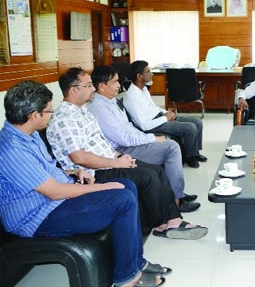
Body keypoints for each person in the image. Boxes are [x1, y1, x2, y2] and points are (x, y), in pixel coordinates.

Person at [0, 81, 168, 287]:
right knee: (122, 198)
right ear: (33, 115)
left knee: (127, 186)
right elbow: (53, 191)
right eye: (48, 110)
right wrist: (103, 187)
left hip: (50, 202)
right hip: (37, 216)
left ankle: (136, 263)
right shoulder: (12, 149)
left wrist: (73, 171)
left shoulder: (29, 135)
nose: (51, 114)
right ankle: (126, 277)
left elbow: (47, 172)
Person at [46, 67, 208, 239]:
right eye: (88, 85)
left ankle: (170, 221)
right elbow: (79, 158)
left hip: (109, 160)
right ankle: (165, 223)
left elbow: (102, 144)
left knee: (157, 171)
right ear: (74, 89)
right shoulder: (65, 118)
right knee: (148, 176)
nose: (93, 88)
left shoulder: (83, 112)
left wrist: (119, 156)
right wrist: (116, 162)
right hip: (92, 173)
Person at [88, 65, 199, 211]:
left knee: (170, 144)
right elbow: (123, 138)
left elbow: (128, 128)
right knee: (171, 147)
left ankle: (176, 194)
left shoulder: (111, 101)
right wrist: (151, 138)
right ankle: (177, 201)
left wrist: (150, 137)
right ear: (102, 86)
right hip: (121, 150)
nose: (119, 85)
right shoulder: (99, 108)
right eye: (115, 82)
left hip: (129, 143)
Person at [123, 60, 207, 169]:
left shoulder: (143, 89)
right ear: (139, 76)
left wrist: (166, 112)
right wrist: (165, 118)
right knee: (190, 128)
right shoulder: (132, 97)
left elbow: (153, 107)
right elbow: (144, 125)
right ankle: (189, 156)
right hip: (153, 125)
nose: (152, 74)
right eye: (148, 71)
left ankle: (195, 152)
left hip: (160, 118)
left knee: (197, 122)